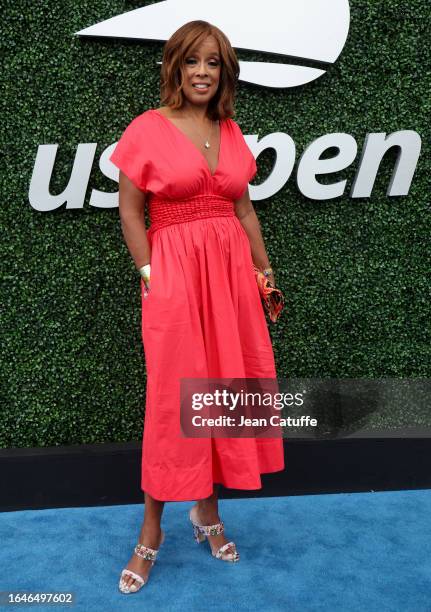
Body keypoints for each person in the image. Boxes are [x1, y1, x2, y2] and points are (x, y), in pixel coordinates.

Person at [109, 19, 285, 594]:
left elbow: (245, 211)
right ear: (174, 68)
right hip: (176, 280)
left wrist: (264, 274)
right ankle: (152, 531)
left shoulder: (230, 131)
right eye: (192, 62)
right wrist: (150, 274)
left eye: (213, 63)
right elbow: (131, 211)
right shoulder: (146, 130)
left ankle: (207, 513)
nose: (202, 73)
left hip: (232, 281)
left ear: (224, 71)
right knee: (172, 401)